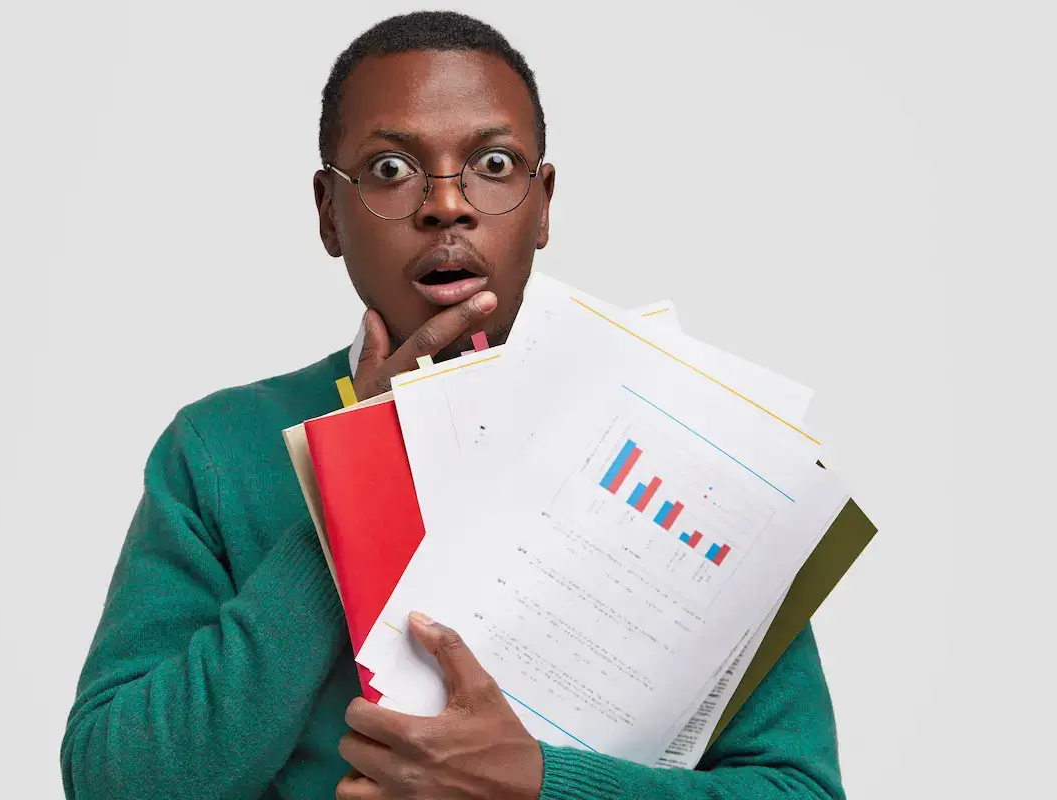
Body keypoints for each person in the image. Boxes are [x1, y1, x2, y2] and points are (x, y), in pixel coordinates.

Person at [61, 11, 845, 800]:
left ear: (542, 205)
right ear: (329, 212)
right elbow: (116, 783)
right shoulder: (219, 449)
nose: (445, 206)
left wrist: (539, 785)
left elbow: (801, 790)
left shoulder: (699, 449)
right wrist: (357, 481)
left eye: (493, 163)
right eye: (392, 169)